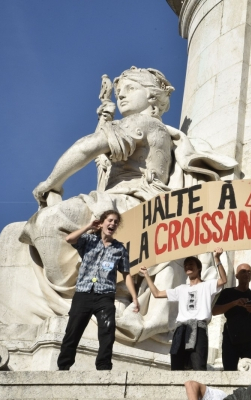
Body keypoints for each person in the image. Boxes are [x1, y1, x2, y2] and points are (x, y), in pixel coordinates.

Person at [17, 66, 237, 344]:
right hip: (120, 199)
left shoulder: (145, 124)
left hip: (134, 202)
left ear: (153, 97)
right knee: (49, 224)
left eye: (131, 89)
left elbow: (88, 146)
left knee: (48, 221)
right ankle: (98, 296)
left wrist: (51, 183)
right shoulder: (141, 127)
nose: (122, 95)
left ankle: (98, 298)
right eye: (120, 91)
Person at [57, 210, 139, 371]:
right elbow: (69, 239)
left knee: (107, 330)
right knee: (73, 331)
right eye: (110, 220)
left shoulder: (119, 249)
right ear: (101, 223)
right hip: (83, 293)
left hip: (105, 295)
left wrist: (135, 298)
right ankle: (63, 366)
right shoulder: (88, 240)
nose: (113, 224)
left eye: (116, 222)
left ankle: (103, 366)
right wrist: (88, 226)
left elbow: (126, 274)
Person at [140, 248, 227, 370]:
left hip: (199, 328)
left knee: (198, 365)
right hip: (181, 329)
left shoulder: (207, 285)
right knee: (177, 366)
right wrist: (146, 275)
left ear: (199, 268)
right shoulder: (181, 288)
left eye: (191, 264)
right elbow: (157, 293)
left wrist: (217, 258)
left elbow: (223, 280)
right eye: (186, 265)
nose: (188, 267)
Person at [212, 263, 251, 371]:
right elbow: (214, 311)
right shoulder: (227, 293)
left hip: (250, 339)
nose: (246, 274)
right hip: (231, 338)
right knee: (229, 371)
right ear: (236, 276)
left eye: (249, 272)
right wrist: (235, 303)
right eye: (243, 271)